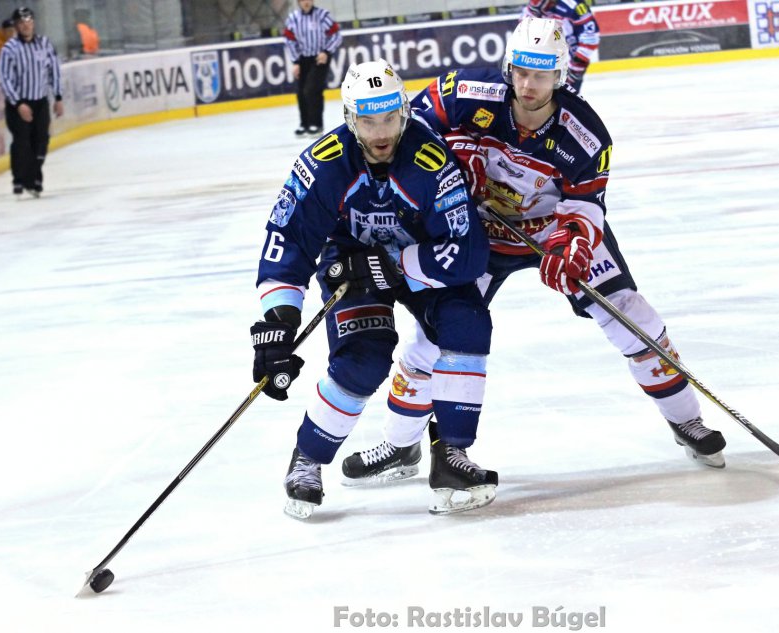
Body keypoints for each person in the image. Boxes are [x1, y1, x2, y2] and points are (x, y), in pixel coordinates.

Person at [341, 18, 727, 486]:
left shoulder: (586, 134)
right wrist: (449, 159)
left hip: (551, 232)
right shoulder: (464, 92)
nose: (528, 85)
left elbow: (586, 205)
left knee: (632, 315)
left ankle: (686, 419)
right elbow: (409, 131)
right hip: (477, 235)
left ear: (560, 75)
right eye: (521, 72)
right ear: (509, 66)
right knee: (432, 338)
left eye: (541, 75)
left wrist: (573, 244)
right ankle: (401, 445)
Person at [252, 59, 497, 519]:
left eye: (389, 118)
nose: (381, 133)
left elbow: (467, 251)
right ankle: (308, 458)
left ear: (404, 111)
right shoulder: (322, 165)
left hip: (420, 262)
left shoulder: (431, 159)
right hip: (350, 266)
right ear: (350, 119)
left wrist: (396, 266)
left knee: (467, 323)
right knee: (362, 359)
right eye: (368, 121)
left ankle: (451, 453)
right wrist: (279, 319)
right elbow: (289, 239)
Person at [0, 7, 63, 198]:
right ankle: (22, 180)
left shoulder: (45, 44)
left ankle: (31, 177)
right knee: (22, 142)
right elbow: (5, 78)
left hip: (40, 101)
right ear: (16, 26)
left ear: (33, 23)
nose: (25, 26)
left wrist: (58, 97)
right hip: (18, 103)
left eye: (28, 22)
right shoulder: (9, 49)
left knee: (41, 140)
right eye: (21, 23)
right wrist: (18, 103)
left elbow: (54, 71)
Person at [283, 0, 342, 138]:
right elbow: (289, 40)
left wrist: (326, 51)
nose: (306, 2)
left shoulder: (323, 15)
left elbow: (336, 35)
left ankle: (316, 124)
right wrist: (295, 61)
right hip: (302, 59)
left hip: (320, 58)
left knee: (312, 90)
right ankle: (305, 124)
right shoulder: (293, 18)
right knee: (301, 92)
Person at [521, 0, 599, 92]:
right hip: (547, 55)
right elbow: (524, 27)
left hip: (571, 55)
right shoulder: (534, 5)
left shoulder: (573, 5)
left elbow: (591, 33)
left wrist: (580, 57)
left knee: (567, 95)